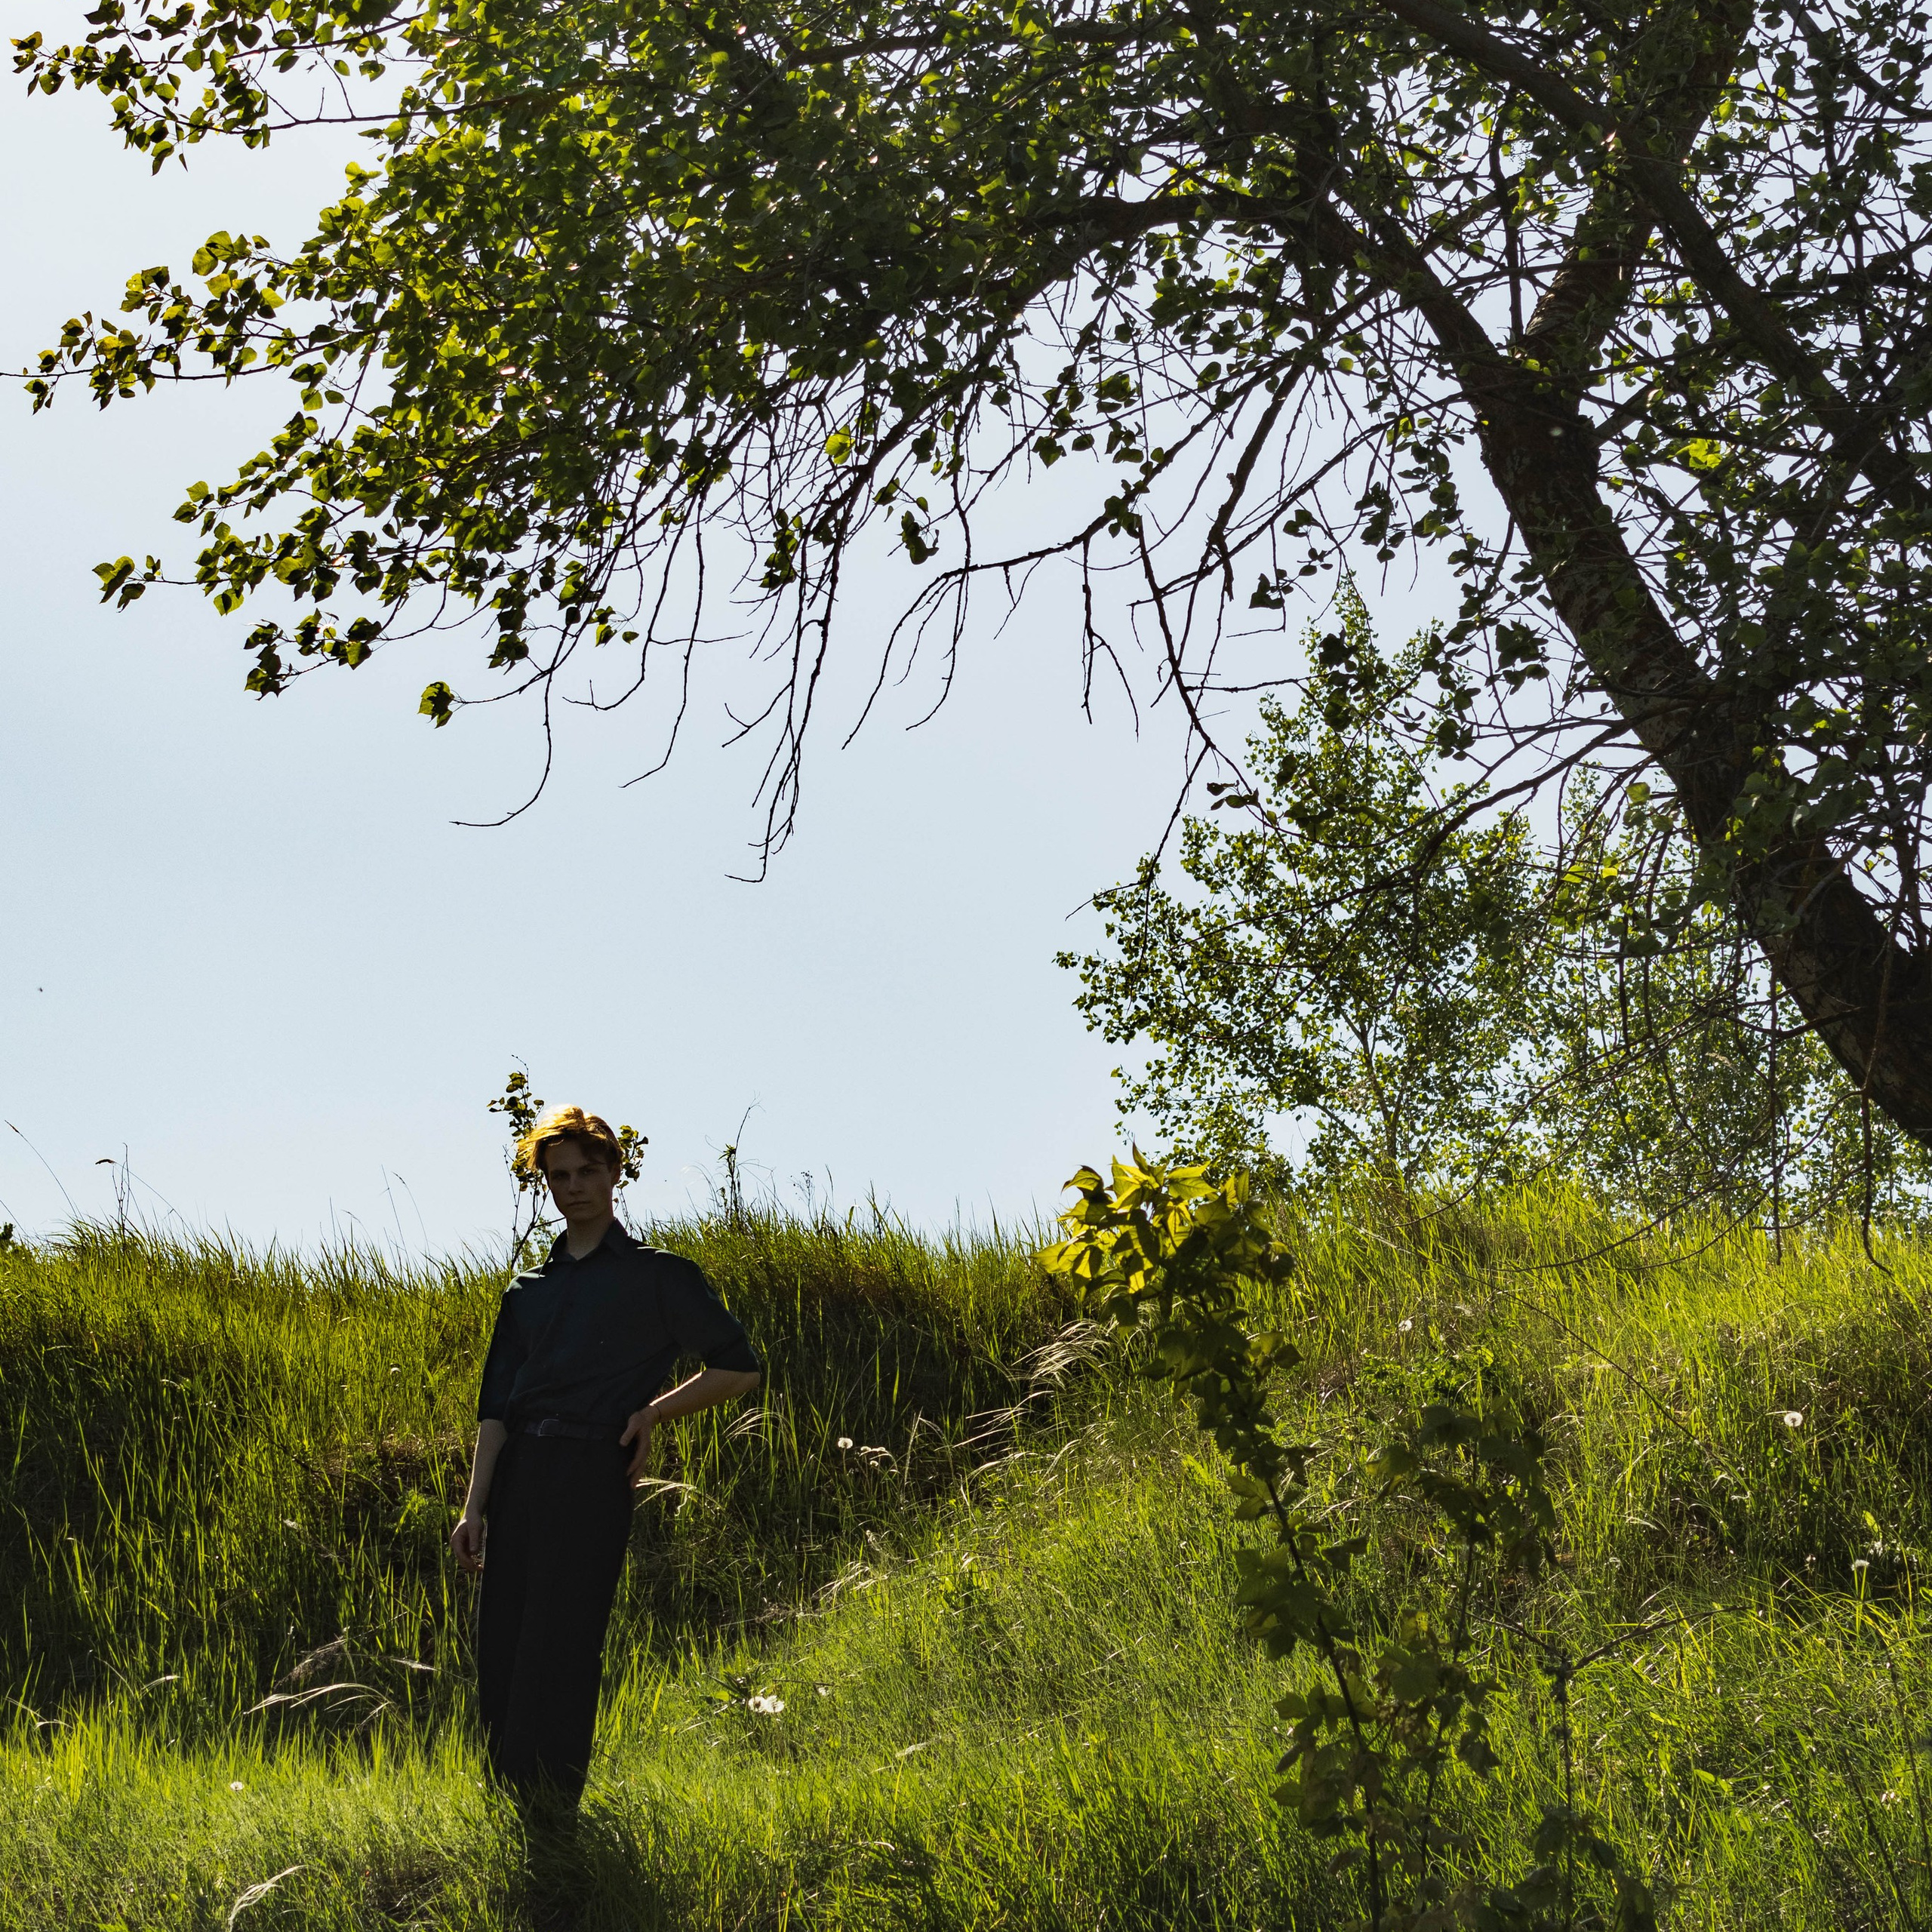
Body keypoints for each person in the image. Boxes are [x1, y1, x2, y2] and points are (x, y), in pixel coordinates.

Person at [451, 1105, 761, 1814]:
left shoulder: (660, 1277)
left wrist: (652, 1412)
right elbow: (495, 1409)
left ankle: (555, 1811)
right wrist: (473, 1507)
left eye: (587, 1171)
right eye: (558, 1177)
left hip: (594, 1472)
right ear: (546, 1187)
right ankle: (509, 1807)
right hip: (520, 1472)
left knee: (562, 1640)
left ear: (615, 1173)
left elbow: (738, 1369)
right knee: (501, 1642)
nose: (574, 1187)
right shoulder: (527, 1292)